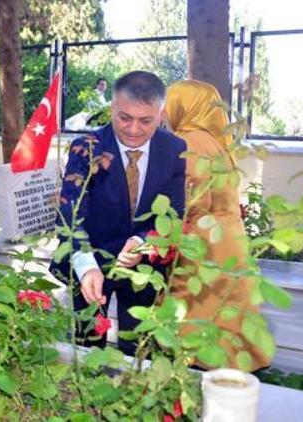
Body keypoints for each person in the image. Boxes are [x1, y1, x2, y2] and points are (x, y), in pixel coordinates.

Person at [49, 70, 187, 354]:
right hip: (88, 259)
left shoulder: (174, 149)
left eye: (145, 120)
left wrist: (141, 243)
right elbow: (69, 213)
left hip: (142, 266)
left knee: (136, 346)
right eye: (125, 117)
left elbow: (173, 212)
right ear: (112, 107)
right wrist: (86, 267)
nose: (133, 129)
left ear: (160, 115)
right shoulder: (87, 148)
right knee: (87, 345)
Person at [164, 80, 270, 371]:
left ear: (183, 106)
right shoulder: (216, 142)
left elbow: (192, 202)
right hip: (228, 240)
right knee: (228, 318)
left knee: (199, 321)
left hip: (203, 245)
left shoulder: (188, 141)